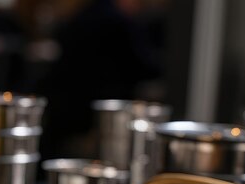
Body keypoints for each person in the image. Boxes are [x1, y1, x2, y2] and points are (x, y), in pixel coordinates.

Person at [34, 0, 165, 160]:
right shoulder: (118, 21)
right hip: (96, 107)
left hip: (67, 101)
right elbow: (145, 67)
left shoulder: (85, 13)